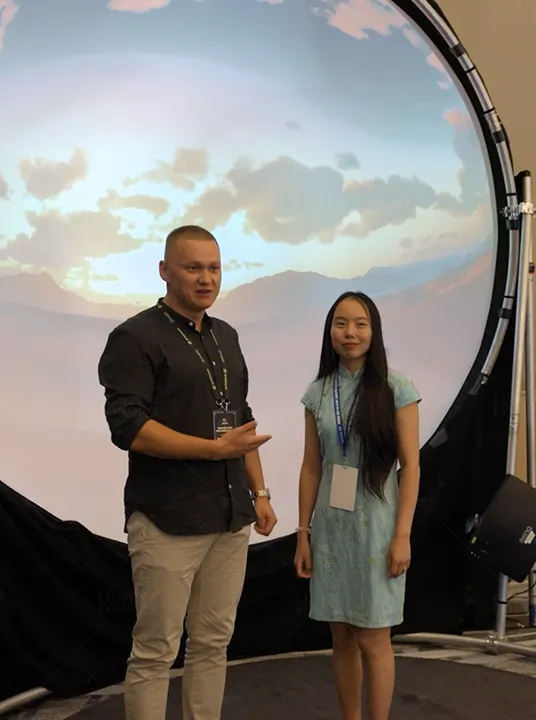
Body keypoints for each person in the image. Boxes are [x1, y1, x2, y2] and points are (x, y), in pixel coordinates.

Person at [97, 225, 279, 720]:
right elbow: (128, 428)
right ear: (164, 271)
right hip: (166, 519)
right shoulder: (134, 337)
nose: (206, 278)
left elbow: (240, 419)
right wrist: (210, 450)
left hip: (229, 515)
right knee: (156, 649)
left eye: (214, 268)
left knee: (213, 643)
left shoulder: (226, 336)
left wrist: (259, 491)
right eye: (193, 267)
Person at [293, 291, 422, 720]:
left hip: (379, 528)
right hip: (331, 527)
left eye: (361, 323)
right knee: (342, 636)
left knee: (373, 638)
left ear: (374, 330)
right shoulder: (317, 393)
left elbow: (412, 467)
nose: (350, 333)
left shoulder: (396, 387)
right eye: (341, 323)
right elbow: (311, 467)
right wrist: (303, 534)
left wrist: (402, 535)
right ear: (329, 331)